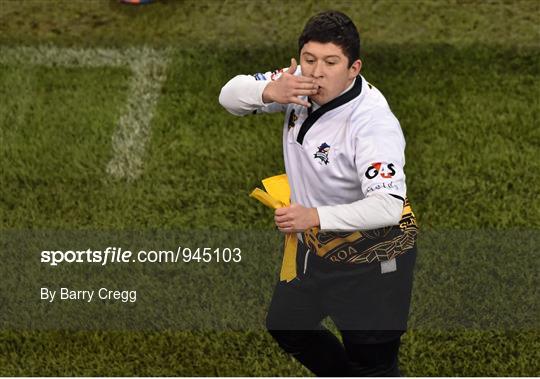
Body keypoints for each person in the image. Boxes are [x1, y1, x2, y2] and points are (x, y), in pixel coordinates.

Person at [219, 10, 418, 377]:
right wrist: (268, 89)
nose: (316, 71)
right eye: (309, 60)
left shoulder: (373, 124)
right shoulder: (297, 84)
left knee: (373, 363)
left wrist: (314, 216)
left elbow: (388, 206)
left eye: (331, 62)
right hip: (319, 245)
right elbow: (228, 96)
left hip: (373, 262)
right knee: (286, 325)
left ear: (353, 68)